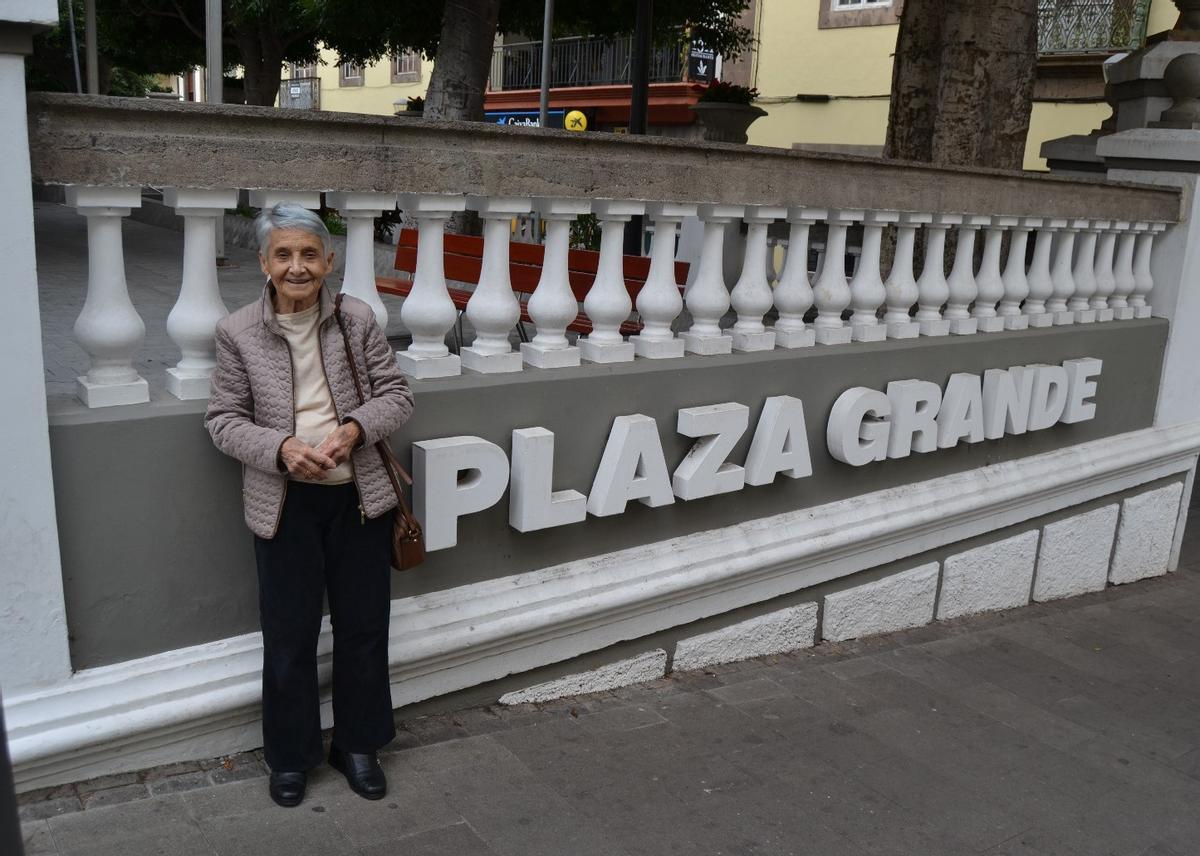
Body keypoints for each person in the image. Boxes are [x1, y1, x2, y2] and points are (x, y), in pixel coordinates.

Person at [205, 203, 414, 808]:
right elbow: (223, 420)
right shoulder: (238, 332)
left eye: (309, 255)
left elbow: (397, 396)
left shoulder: (357, 320)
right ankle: (291, 757)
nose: (296, 267)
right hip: (284, 503)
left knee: (364, 627)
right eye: (284, 254)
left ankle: (358, 745)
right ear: (264, 262)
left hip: (360, 498)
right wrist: (280, 449)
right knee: (289, 635)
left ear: (329, 261)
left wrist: (354, 430)